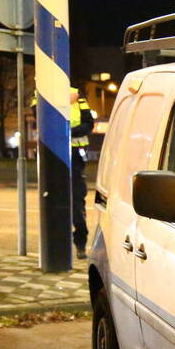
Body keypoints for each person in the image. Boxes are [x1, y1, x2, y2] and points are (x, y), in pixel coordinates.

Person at [70, 87, 94, 259]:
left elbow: (88, 124)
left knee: (77, 201)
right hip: (51, 155)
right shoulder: (43, 88)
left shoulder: (76, 95)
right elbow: (39, 118)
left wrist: (68, 132)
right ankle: (53, 248)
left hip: (76, 156)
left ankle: (80, 243)